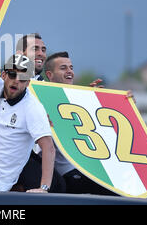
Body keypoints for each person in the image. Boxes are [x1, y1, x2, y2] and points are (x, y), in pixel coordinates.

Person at [0, 54, 55, 192]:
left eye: (23, 78)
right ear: (4, 75)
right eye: (13, 75)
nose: (16, 81)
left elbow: (49, 148)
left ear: (28, 83)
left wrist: (44, 188)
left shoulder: (32, 108)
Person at [44, 51, 118, 195]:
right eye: (63, 68)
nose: (70, 71)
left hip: (91, 168)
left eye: (71, 67)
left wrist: (123, 102)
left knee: (122, 193)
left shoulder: (79, 99)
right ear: (49, 75)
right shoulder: (39, 101)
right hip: (68, 171)